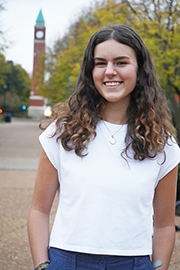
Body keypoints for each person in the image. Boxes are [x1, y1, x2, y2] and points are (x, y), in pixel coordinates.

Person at [28, 24, 180, 270]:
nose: (110, 71)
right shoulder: (61, 133)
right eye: (100, 63)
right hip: (68, 260)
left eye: (121, 62)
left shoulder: (163, 144)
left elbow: (164, 224)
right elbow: (38, 209)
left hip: (135, 262)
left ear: (140, 71)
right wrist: (41, 265)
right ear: (91, 71)